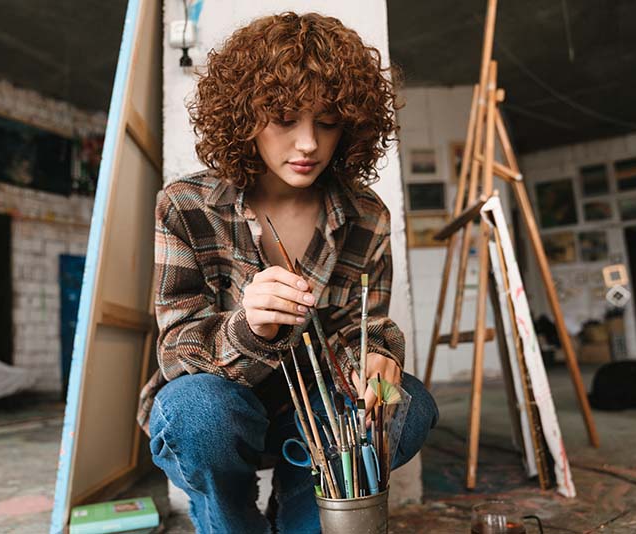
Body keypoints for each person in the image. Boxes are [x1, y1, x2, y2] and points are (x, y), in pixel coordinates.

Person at [136, 12, 438, 534]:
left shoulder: (367, 216)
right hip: (222, 412)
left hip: (318, 421)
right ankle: (229, 521)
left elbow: (357, 324)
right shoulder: (186, 205)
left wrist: (375, 358)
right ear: (244, 115)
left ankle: (304, 515)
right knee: (198, 414)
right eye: (284, 119)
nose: (308, 145)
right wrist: (248, 326)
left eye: (327, 122)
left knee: (409, 407)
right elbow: (175, 351)